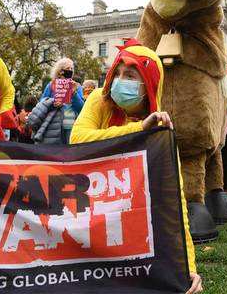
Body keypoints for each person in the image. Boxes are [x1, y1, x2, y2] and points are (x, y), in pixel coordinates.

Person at [69, 39, 202, 293]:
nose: (119, 80)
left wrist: (188, 267)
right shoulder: (99, 98)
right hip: (88, 217)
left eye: (130, 75)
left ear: (149, 83)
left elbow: (175, 204)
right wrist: (138, 130)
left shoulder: (161, 134)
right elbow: (77, 139)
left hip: (128, 229)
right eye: (116, 73)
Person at [36, 57, 84, 144]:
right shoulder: (51, 85)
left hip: (72, 127)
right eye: (67, 69)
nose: (70, 71)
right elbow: (42, 103)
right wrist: (53, 102)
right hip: (55, 126)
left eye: (71, 69)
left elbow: (81, 108)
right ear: (60, 71)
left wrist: (74, 93)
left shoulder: (77, 86)